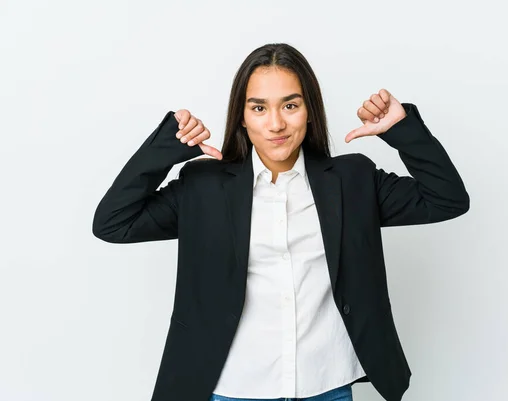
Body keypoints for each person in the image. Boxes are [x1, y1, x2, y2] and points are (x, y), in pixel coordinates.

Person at [92, 43, 470, 401]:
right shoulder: (203, 187)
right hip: (233, 388)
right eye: (258, 108)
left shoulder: (352, 180)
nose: (276, 124)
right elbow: (113, 223)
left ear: (309, 110)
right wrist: (167, 148)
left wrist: (401, 130)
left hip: (328, 384)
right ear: (241, 116)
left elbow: (447, 200)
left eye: (290, 105)